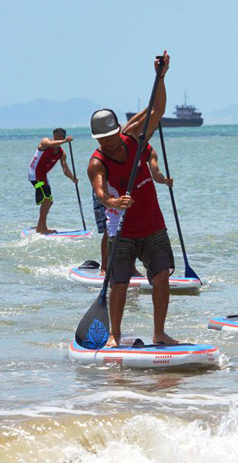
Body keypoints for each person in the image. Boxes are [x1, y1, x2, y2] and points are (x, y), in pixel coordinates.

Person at [87, 52, 176, 346]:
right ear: (97, 139)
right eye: (104, 138)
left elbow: (157, 110)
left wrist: (160, 77)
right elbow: (100, 193)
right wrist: (113, 203)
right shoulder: (97, 162)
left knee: (161, 276)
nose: (110, 141)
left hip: (153, 225)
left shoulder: (133, 138)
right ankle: (114, 334)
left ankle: (159, 332)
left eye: (113, 134)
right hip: (121, 230)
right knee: (120, 283)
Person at [92, 148, 172, 278]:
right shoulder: (125, 144)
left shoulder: (148, 150)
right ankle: (105, 267)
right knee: (111, 226)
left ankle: (131, 267)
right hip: (108, 187)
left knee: (130, 225)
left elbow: (155, 172)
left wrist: (164, 180)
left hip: (130, 186)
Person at [29, 128, 77, 234]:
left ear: (63, 138)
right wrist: (65, 141)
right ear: (53, 136)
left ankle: (39, 227)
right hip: (34, 175)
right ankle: (42, 229)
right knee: (46, 200)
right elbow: (51, 144)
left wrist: (72, 178)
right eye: (56, 136)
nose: (57, 138)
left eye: (60, 137)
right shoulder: (45, 142)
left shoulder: (61, 153)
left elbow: (65, 169)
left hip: (43, 176)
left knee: (49, 201)